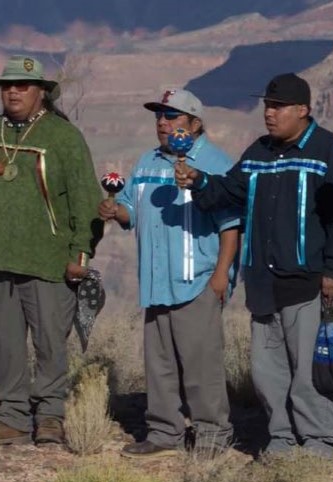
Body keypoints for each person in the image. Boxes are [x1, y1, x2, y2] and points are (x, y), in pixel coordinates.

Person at [175, 73, 333, 459]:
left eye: (277, 107)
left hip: (309, 280)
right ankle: (282, 438)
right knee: (267, 372)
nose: (269, 114)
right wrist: (199, 181)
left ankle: (320, 441)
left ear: (303, 110)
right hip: (262, 280)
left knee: (308, 372)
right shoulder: (259, 152)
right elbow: (231, 191)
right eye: (266, 106)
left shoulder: (326, 151)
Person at [0, 55, 101, 445]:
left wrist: (80, 255)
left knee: (49, 342)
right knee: (5, 343)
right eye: (6, 86)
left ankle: (49, 415)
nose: (12, 91)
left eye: (23, 86)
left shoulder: (63, 137)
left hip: (48, 260)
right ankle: (12, 416)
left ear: (42, 93)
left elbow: (86, 200)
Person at [99, 89, 239, 458]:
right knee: (158, 362)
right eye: (159, 115)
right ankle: (164, 432)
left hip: (198, 279)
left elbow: (231, 224)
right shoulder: (147, 162)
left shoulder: (215, 163)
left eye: (172, 116)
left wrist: (221, 275)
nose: (163, 122)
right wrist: (116, 212)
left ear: (195, 123)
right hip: (155, 277)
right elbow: (131, 207)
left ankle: (212, 435)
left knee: (200, 363)